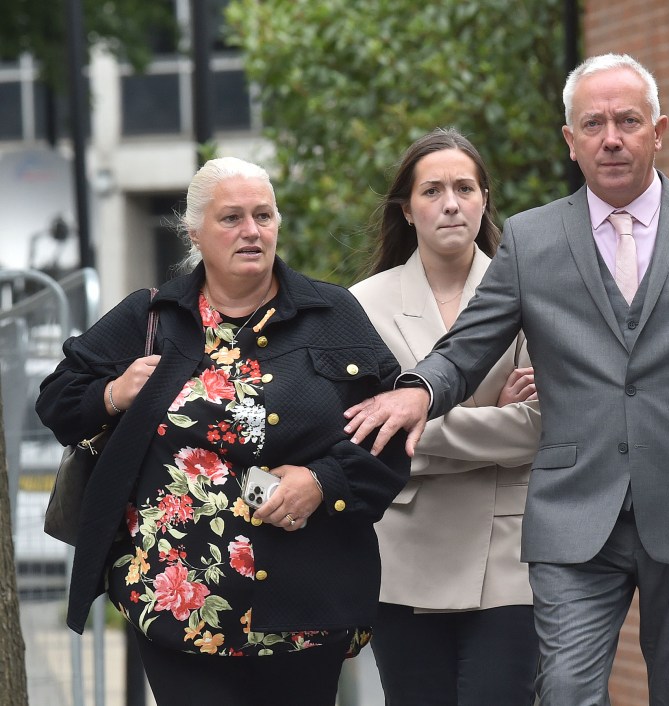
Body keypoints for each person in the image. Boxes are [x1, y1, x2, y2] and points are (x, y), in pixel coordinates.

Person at [343, 54, 669, 705]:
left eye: (627, 121)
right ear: (570, 139)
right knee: (564, 690)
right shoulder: (533, 241)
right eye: (593, 123)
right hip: (572, 514)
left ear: (659, 130)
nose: (611, 137)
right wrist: (418, 389)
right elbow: (466, 348)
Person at [36, 157, 410, 706]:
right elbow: (56, 399)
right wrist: (113, 394)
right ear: (195, 232)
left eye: (263, 215)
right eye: (231, 218)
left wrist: (323, 483)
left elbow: (391, 434)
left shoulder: (334, 314)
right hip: (177, 605)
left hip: (305, 606)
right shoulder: (152, 316)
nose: (251, 231)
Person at [349, 127, 541, 705]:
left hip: (510, 551)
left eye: (464, 187)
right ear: (407, 209)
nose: (450, 203)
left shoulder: (533, 293)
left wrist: (412, 429)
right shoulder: (363, 304)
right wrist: (492, 420)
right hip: (404, 555)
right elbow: (361, 436)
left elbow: (539, 428)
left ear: (485, 199)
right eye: (432, 190)